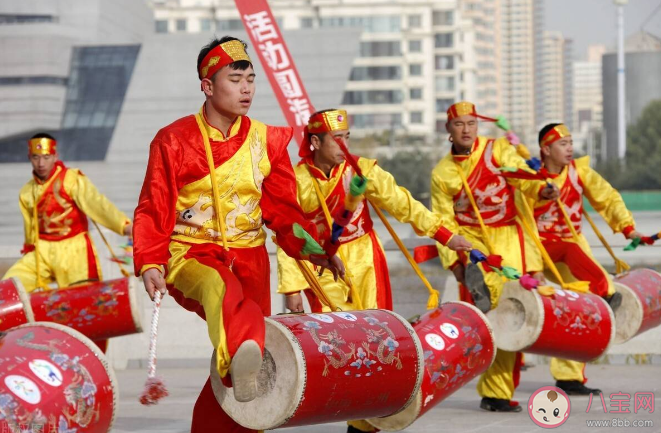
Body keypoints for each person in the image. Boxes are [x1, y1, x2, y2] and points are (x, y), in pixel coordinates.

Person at [133, 36, 343, 433]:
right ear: (208, 86)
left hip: (251, 256)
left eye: (251, 79)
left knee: (249, 359)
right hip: (192, 254)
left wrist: (315, 250)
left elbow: (283, 211)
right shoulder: (174, 140)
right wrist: (149, 261)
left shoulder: (268, 140)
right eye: (235, 79)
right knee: (223, 293)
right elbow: (154, 207)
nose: (246, 88)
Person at [277, 108, 471, 318]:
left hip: (365, 257)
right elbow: (288, 235)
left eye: (347, 137)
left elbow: (403, 204)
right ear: (315, 142)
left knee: (376, 326)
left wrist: (445, 235)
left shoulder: (362, 170)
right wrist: (292, 288)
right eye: (337, 139)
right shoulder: (296, 181)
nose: (345, 145)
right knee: (333, 330)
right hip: (322, 263)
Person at [431, 101, 558, 412]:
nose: (466, 130)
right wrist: (453, 263)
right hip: (474, 241)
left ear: (478, 126)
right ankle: (493, 391)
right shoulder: (442, 173)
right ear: (449, 130)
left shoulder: (496, 149)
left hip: (510, 237)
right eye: (459, 124)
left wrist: (542, 191)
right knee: (493, 312)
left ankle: (499, 392)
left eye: (471, 124)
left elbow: (522, 177)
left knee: (511, 314)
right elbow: (442, 221)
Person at [531, 122, 643, 395]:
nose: (570, 149)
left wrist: (628, 228)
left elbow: (608, 199)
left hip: (570, 247)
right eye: (563, 144)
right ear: (545, 149)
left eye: (571, 143)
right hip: (534, 247)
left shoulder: (580, 172)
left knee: (581, 307)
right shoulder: (529, 175)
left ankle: (569, 377)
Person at [3, 133, 132, 293]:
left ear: (55, 156)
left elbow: (97, 204)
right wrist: (30, 249)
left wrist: (124, 226)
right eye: (36, 157)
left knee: (82, 299)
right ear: (29, 157)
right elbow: (30, 230)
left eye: (46, 157)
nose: (41, 163)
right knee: (9, 287)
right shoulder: (26, 192)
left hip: (75, 249)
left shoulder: (71, 179)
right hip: (42, 251)